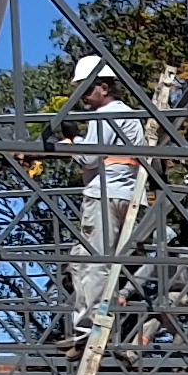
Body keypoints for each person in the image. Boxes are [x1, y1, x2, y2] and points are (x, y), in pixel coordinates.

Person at [64, 56, 150, 352]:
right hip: (123, 194)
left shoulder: (107, 115)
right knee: (80, 261)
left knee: (94, 261)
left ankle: (89, 330)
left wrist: (70, 143)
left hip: (103, 194)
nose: (83, 97)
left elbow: (89, 157)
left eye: (86, 90)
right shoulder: (126, 114)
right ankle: (86, 328)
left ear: (103, 87)